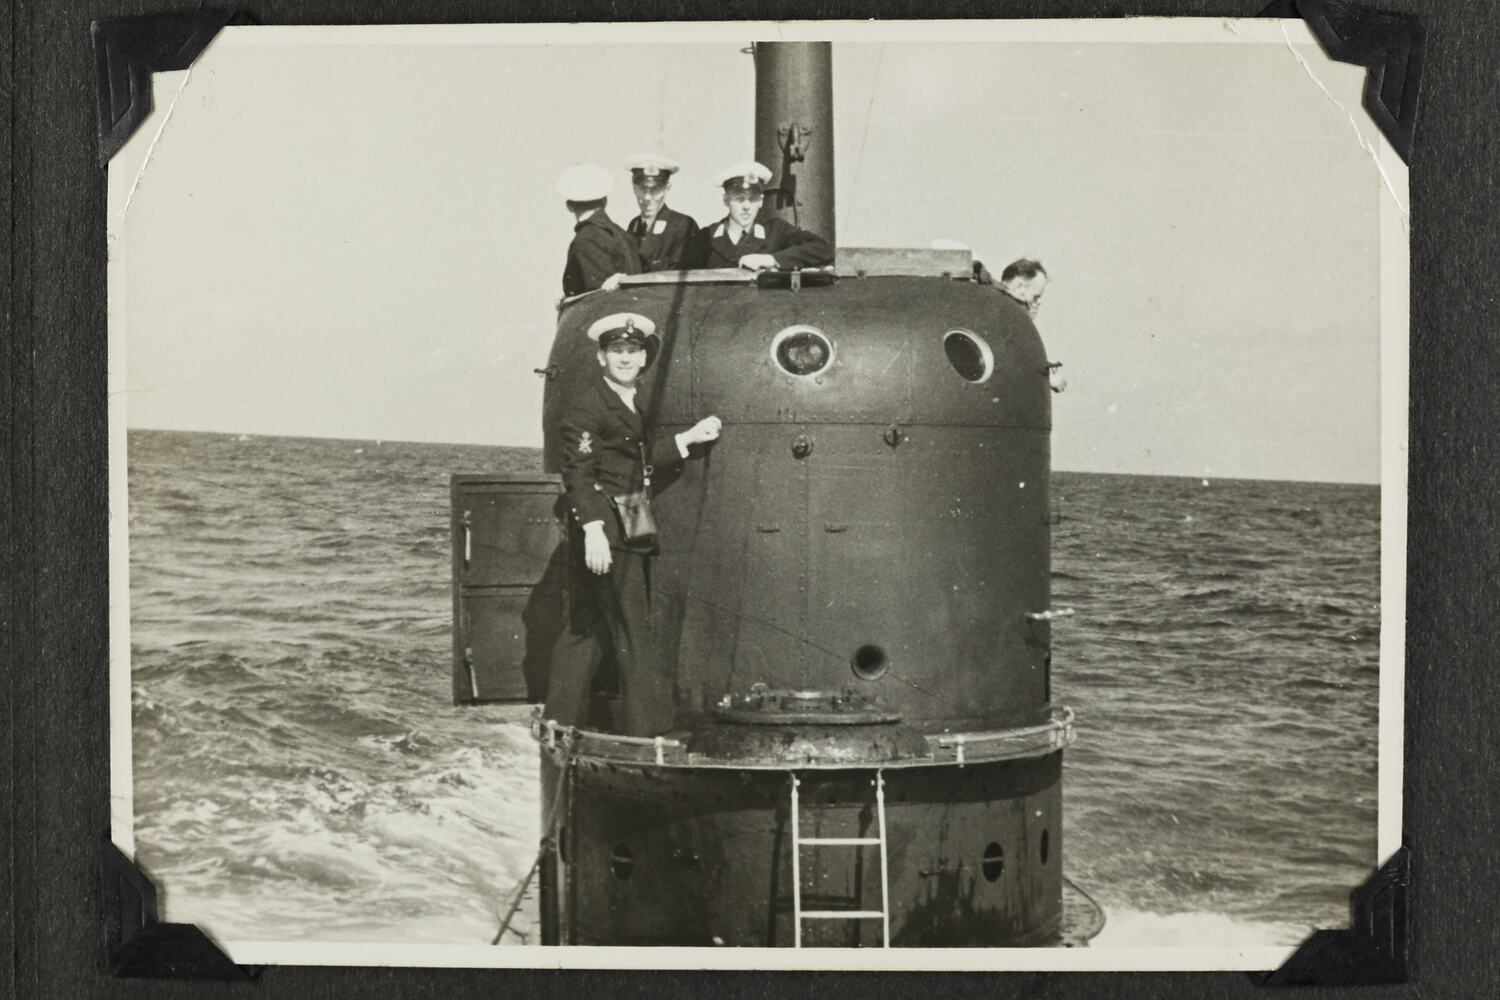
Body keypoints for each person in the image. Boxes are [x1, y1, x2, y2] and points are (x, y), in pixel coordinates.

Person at [546, 312, 722, 736]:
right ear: (601, 357)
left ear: (644, 358)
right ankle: (652, 731)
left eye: (633, 351)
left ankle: (559, 718)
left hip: (629, 517)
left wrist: (688, 438)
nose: (625, 358)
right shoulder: (589, 406)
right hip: (608, 526)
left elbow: (635, 460)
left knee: (585, 626)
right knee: (633, 630)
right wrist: (592, 530)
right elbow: (579, 474)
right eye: (617, 351)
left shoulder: (630, 403)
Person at [688, 161, 833, 271]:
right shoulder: (706, 237)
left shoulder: (775, 231)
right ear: (726, 200)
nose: (746, 206)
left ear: (761, 201)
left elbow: (823, 248)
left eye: (752, 199)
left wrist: (773, 259)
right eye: (739, 199)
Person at [556, 162, 641, 297]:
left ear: (569, 206)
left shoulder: (585, 240)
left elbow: (597, 298)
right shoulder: (623, 235)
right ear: (605, 201)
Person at [625, 154, 699, 272]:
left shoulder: (682, 225)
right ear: (634, 188)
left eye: (655, 189)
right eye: (642, 188)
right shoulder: (634, 225)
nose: (647, 197)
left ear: (667, 188)